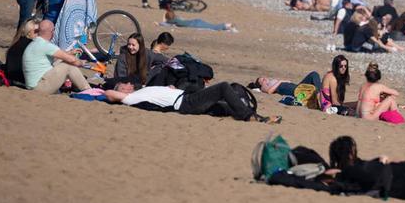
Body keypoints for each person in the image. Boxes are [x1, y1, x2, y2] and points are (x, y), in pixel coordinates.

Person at [103, 80, 280, 122]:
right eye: (123, 85)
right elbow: (109, 93)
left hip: (186, 98)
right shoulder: (131, 98)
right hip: (186, 103)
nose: (128, 84)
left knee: (224, 105)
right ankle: (251, 116)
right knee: (224, 87)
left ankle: (245, 112)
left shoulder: (140, 91)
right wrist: (116, 91)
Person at [22, 19, 91, 94]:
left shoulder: (36, 43)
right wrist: (81, 63)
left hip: (33, 85)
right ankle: (88, 90)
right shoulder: (46, 45)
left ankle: (81, 87)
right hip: (39, 88)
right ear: (52, 31)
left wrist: (70, 52)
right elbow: (72, 60)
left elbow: (54, 58)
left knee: (62, 61)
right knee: (68, 65)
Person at [5, 19, 38, 87]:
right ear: (29, 32)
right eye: (36, 31)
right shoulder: (32, 45)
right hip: (22, 80)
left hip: (10, 78)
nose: (39, 34)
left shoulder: (16, 42)